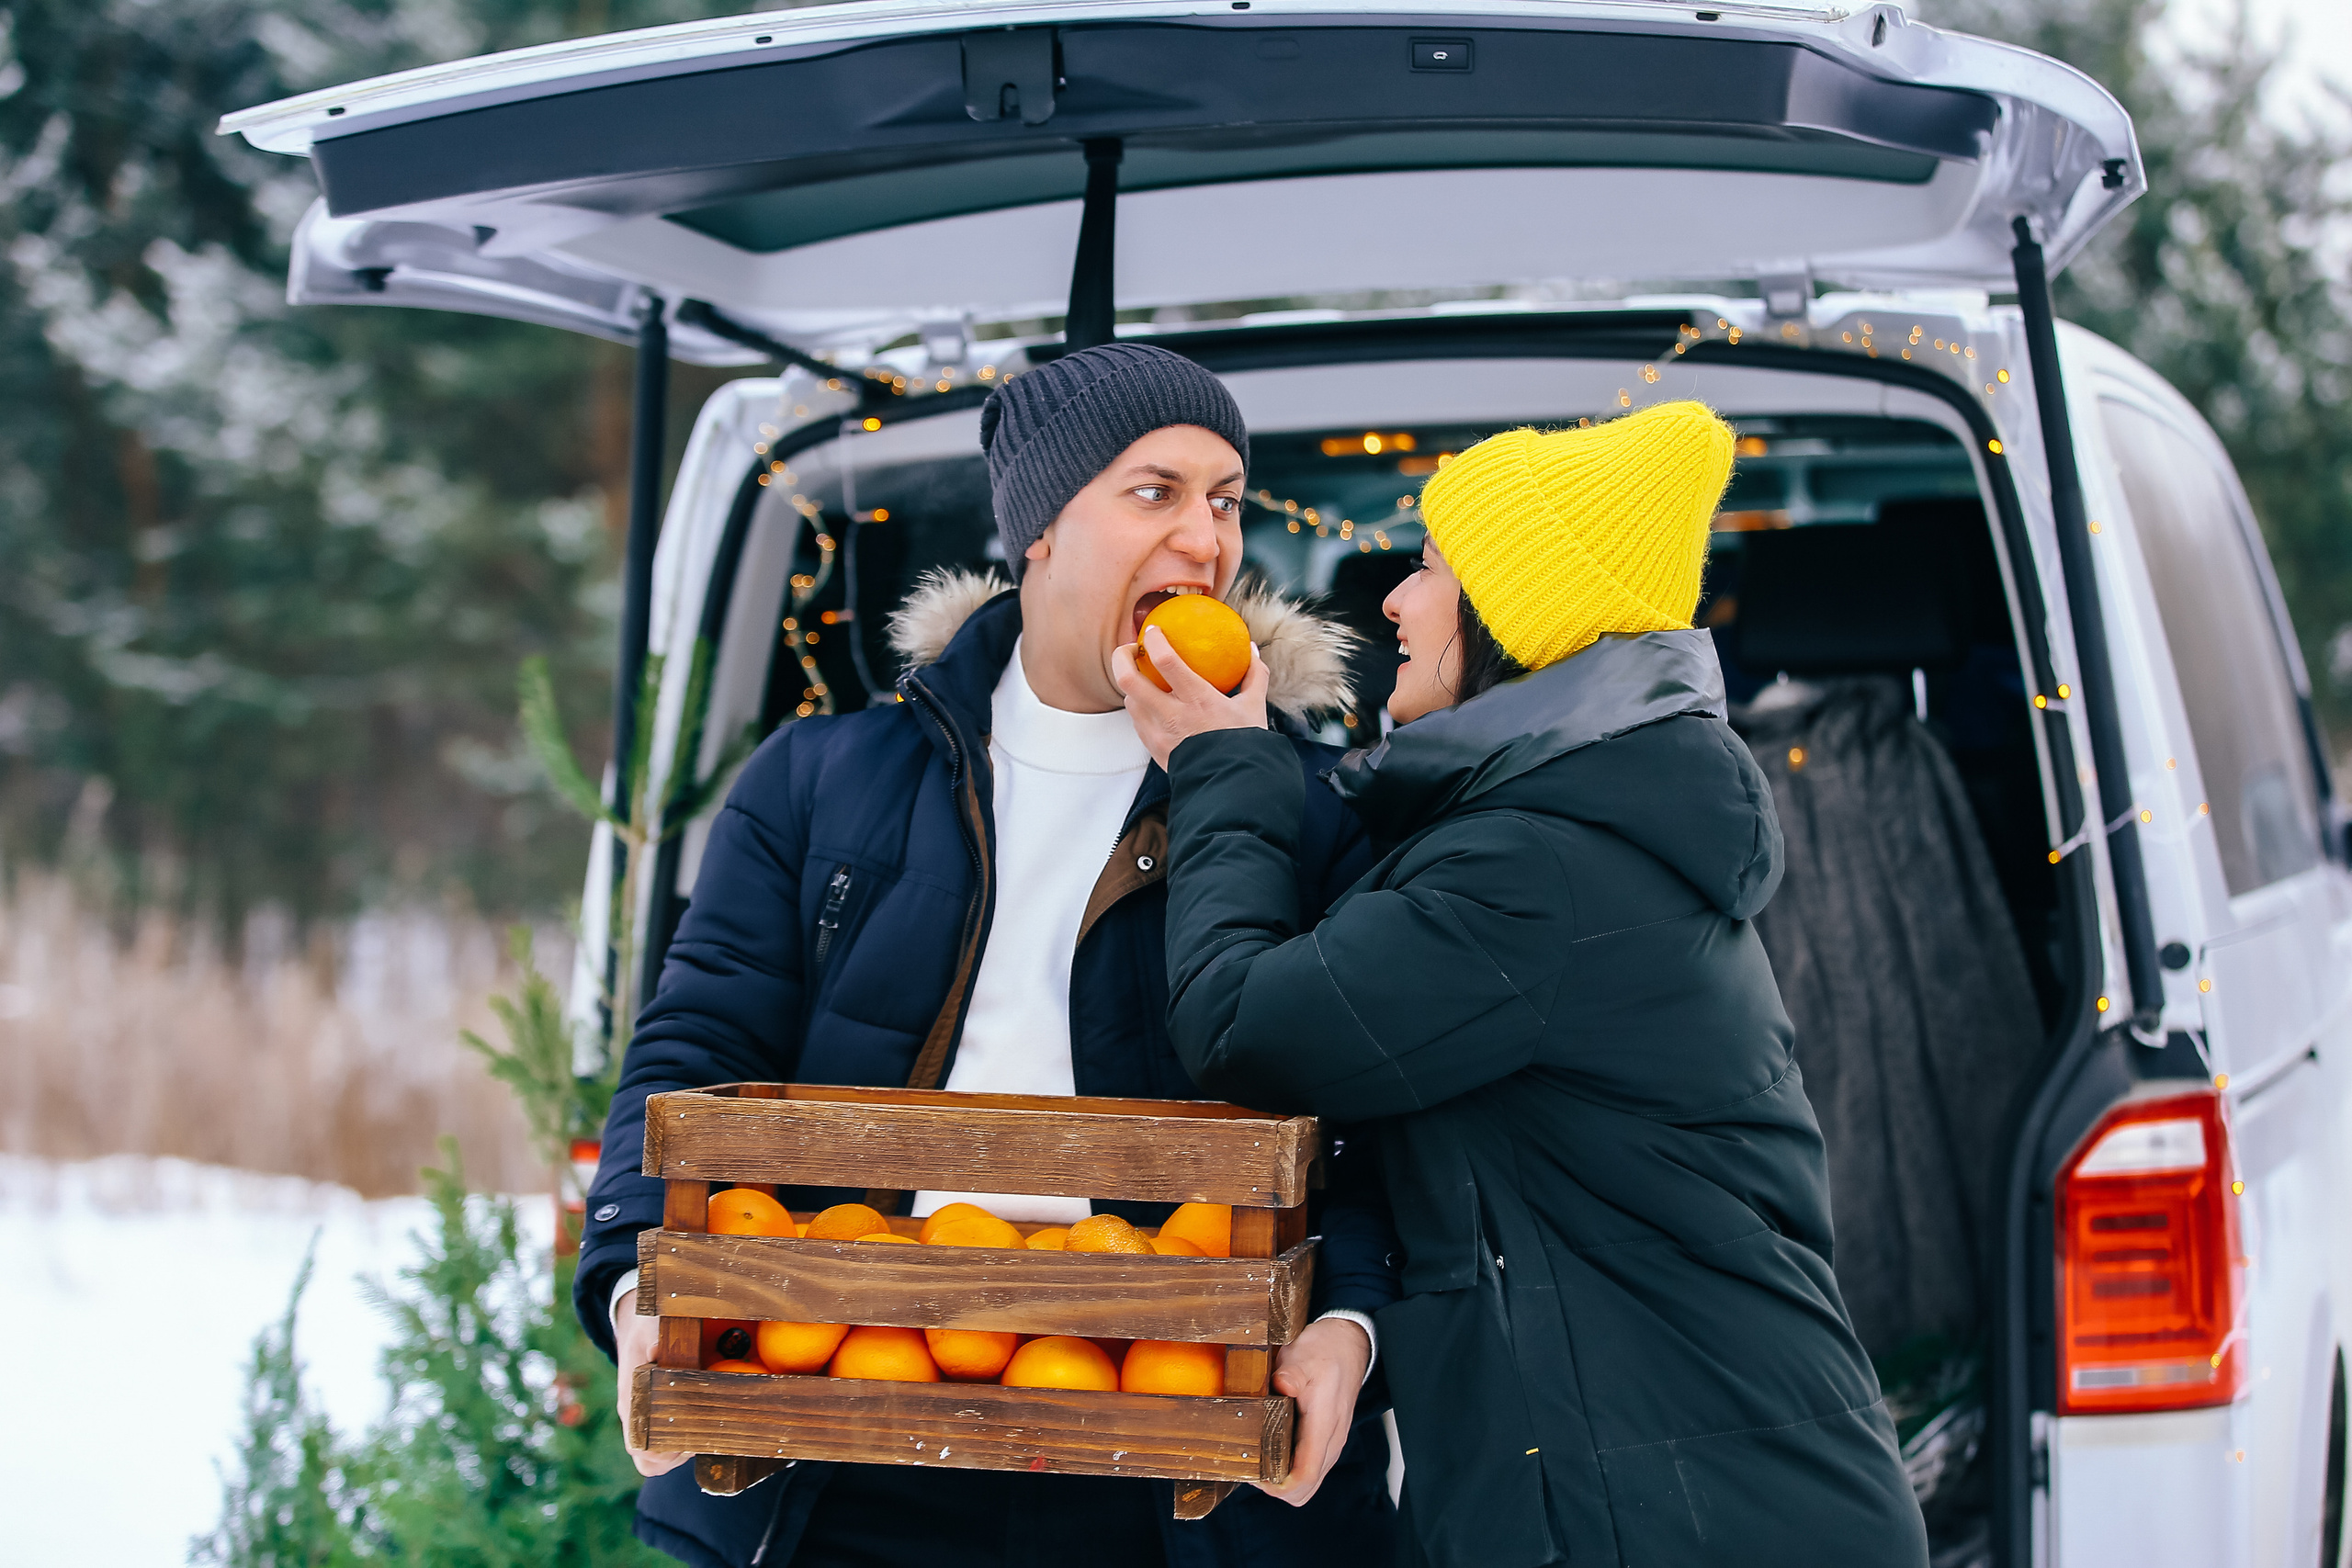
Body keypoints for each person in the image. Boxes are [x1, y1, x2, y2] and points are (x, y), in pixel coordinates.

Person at [573, 343, 1400, 1568]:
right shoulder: (821, 780)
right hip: (849, 1433)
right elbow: (694, 1049)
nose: (1205, 538)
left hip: (1188, 1457)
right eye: (1155, 491)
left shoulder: (1313, 810)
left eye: (1223, 500)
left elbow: (1381, 1114)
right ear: (1043, 529)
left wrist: (1346, 1321)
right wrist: (641, 1287)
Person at [1116, 400, 1930, 1567]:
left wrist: (1222, 768)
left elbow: (1246, 1023)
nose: (1392, 600)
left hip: (1703, 1518)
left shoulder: (1532, 870)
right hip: (1673, 1495)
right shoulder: (1562, 831)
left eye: (1433, 571)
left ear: (1511, 617)